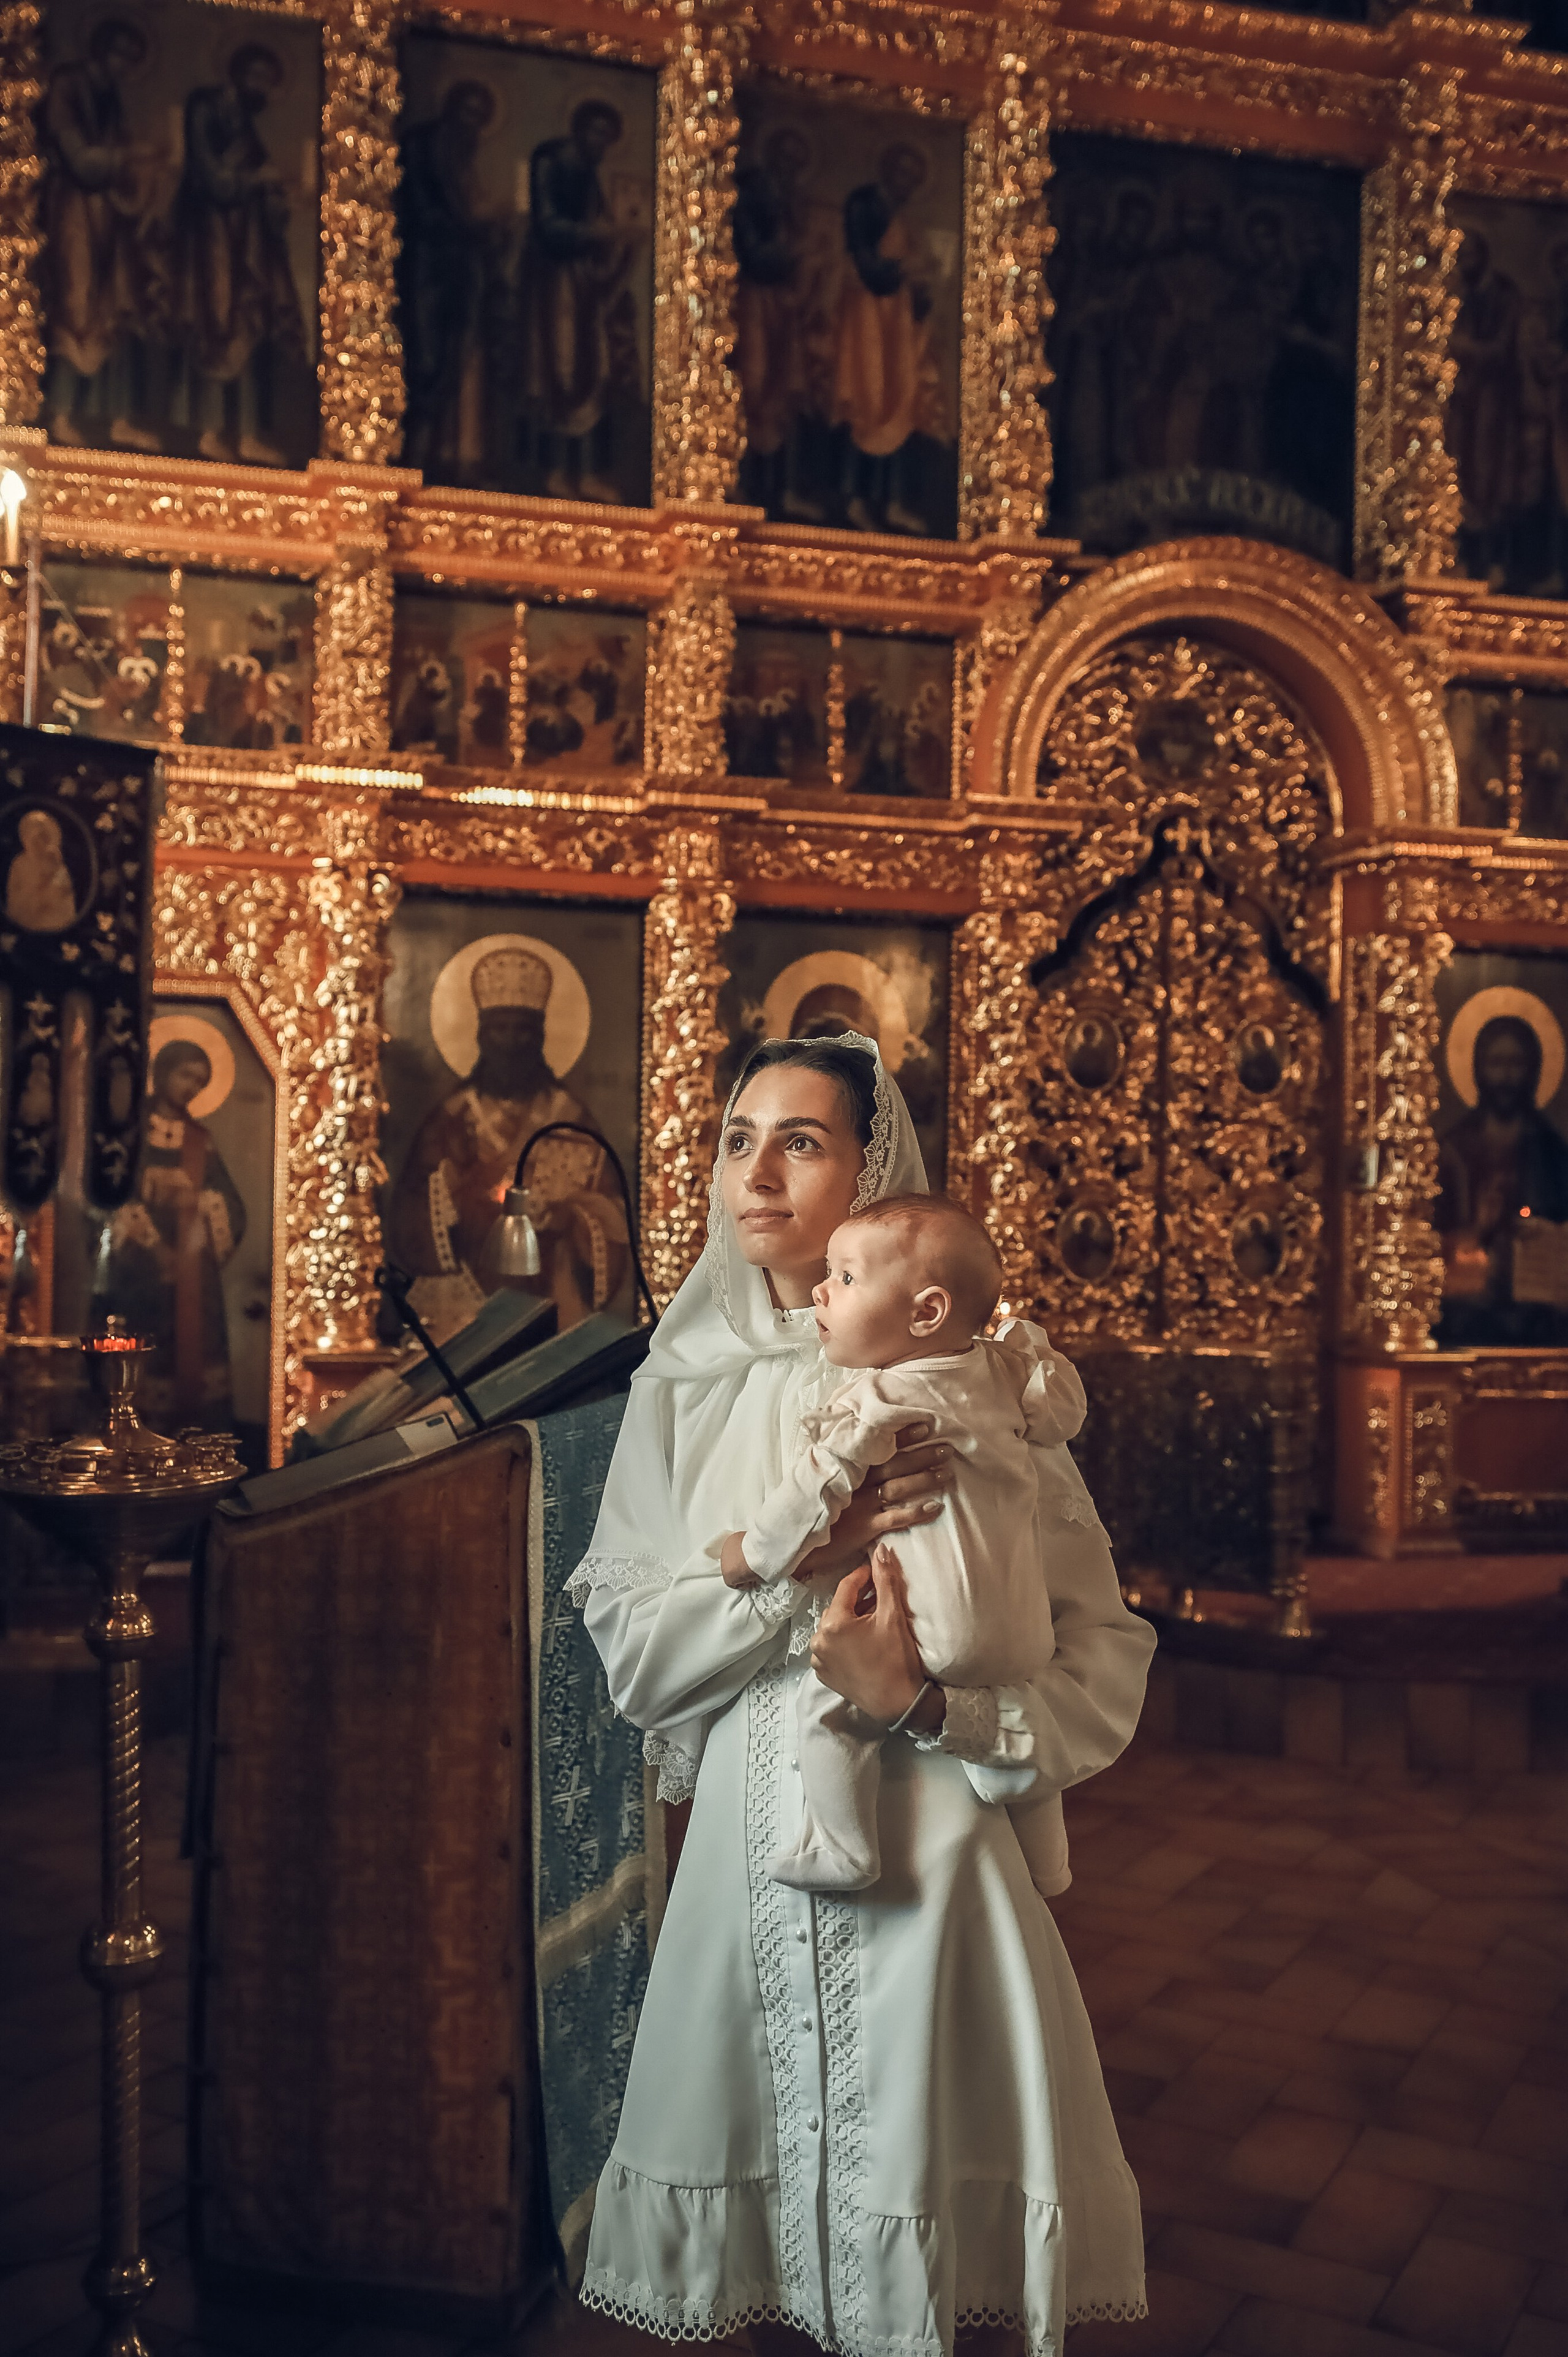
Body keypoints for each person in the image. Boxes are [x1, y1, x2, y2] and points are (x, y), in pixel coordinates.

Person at [570, 1031, 1153, 2351]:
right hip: (744, 1847)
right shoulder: (681, 1386)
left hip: (938, 1847)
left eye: (801, 1141)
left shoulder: (969, 1387)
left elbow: (1101, 1649)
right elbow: (638, 1658)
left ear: (871, 1173)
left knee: (923, 2208)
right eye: (737, 1139)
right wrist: (800, 1565)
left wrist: (932, 1707)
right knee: (755, 2253)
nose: (757, 1172)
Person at [720, 1191, 1088, 1899]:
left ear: (925, 1312)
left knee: (826, 1710)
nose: (822, 1289)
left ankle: (842, 1849)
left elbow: (809, 1494)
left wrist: (754, 1555)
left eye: (845, 1277)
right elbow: (1060, 1414)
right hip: (1025, 1636)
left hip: (934, 1638)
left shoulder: (877, 1400)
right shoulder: (1003, 1372)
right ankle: (1049, 1866)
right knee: (1019, 1725)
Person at [385, 943, 627, 1339]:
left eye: (523, 1031)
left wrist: (571, 1217)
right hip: (467, 1314)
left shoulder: (571, 1119)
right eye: (500, 1030)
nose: (511, 1043)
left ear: (541, 1037)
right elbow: (410, 1214)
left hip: (551, 1309)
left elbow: (611, 1215)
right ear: (481, 1036)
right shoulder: (452, 1120)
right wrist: (458, 1197)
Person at [168, 42, 306, 465]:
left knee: (249, 321)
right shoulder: (205, 108)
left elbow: (260, 183)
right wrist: (255, 180)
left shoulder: (246, 124)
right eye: (258, 77)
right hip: (210, 234)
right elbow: (211, 176)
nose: (262, 88)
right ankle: (208, 431)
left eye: (269, 82)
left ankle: (247, 435)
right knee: (215, 320)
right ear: (238, 72)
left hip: (248, 242)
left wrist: (279, 197)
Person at [103, 1038, 246, 1428]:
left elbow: (233, 1211)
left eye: (200, 1082)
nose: (191, 1088)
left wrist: (196, 1199)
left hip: (193, 1281)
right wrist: (155, 1247)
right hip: (137, 1277)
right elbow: (110, 1201)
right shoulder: (128, 1134)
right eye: (185, 1076)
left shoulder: (201, 1141)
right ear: (163, 1072)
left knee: (195, 1382)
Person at [39, 17, 160, 452]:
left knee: (117, 303)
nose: (123, 65)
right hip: (73, 210)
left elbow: (117, 159)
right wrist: (129, 156)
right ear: (101, 48)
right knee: (77, 302)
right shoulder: (69, 85)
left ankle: (119, 420)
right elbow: (80, 159)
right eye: (119, 54)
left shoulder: (112, 97)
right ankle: (59, 414)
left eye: (132, 59)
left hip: (109, 214)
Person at [519, 100, 643, 502]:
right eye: (596, 133)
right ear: (579, 129)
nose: (600, 143)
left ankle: (589, 472)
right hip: (554, 282)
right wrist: (600, 234)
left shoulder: (591, 175)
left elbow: (601, 227)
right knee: (560, 368)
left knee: (596, 368)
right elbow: (550, 227)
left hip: (586, 284)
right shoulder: (550, 161)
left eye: (607, 137)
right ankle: (556, 470)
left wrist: (621, 238)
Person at [832, 144, 946, 534]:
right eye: (903, 174)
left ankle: (893, 502)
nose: (907, 184)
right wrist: (906, 270)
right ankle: (854, 499)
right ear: (887, 170)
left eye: (914, 179)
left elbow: (914, 281)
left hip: (897, 324)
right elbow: (871, 270)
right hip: (867, 317)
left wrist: (922, 293)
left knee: (901, 401)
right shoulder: (865, 205)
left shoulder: (905, 219)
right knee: (867, 400)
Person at [1436, 1011, 1568, 1346]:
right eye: (1496, 1063)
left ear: (1533, 1070)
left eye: (1516, 1063)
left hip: (1542, 1308)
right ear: (1478, 1069)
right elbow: (1434, 1238)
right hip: (1469, 1305)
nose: (1506, 1076)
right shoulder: (1454, 1151)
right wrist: (1477, 1228)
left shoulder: (1552, 1150)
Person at [396, 80, 505, 478]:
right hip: (426, 266)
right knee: (424, 357)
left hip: (461, 269)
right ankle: (411, 455)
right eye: (466, 112)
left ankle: (440, 457)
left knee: (455, 359)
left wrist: (490, 230)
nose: (471, 124)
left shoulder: (464, 158)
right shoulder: (423, 146)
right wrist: (469, 223)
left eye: (479, 117)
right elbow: (421, 209)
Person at [5, 809, 78, 932]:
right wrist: (32, 896)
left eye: (43, 837)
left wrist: (51, 883)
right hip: (27, 919)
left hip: (53, 921)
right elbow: (14, 897)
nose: (38, 843)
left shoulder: (57, 865)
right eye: (33, 838)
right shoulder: (19, 864)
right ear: (25, 839)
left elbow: (64, 898)